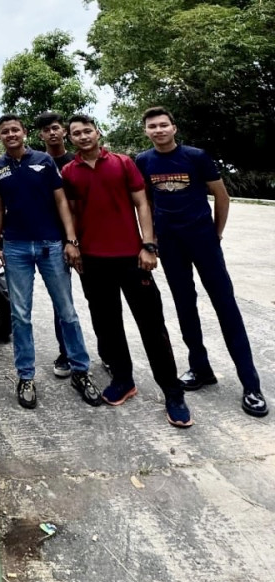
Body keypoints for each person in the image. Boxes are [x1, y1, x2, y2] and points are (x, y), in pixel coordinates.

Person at [136, 107, 268, 418]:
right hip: (171, 246)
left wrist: (216, 233)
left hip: (203, 242)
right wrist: (151, 242)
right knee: (184, 305)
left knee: (226, 306)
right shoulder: (143, 162)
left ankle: (251, 384)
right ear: (146, 131)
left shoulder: (196, 157)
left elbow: (221, 196)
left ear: (174, 127)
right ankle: (200, 368)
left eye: (163, 125)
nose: (158, 130)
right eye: (152, 126)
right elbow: (146, 202)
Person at [62, 114, 193, 427]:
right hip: (92, 260)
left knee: (152, 326)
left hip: (132, 258)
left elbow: (142, 203)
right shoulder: (68, 171)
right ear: (71, 139)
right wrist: (72, 243)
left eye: (87, 131)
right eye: (76, 134)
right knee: (107, 325)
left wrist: (148, 245)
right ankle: (123, 379)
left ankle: (173, 392)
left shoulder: (122, 163)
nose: (82, 137)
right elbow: (68, 209)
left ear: (98, 132)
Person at [0, 114, 101, 409]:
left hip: (51, 244)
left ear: (24, 133)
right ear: (0, 136)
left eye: (15, 129)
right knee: (21, 315)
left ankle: (80, 371)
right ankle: (26, 376)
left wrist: (71, 240)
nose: (11, 134)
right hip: (15, 247)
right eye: (5, 131)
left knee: (67, 311)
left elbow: (62, 200)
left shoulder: (44, 161)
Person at [35, 111, 76, 379]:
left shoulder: (77, 161)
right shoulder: (37, 163)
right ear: (40, 135)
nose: (52, 133)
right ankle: (67, 352)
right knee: (61, 300)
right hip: (54, 240)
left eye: (56, 128)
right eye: (46, 130)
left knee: (100, 300)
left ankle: (109, 353)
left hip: (85, 238)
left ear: (64, 132)